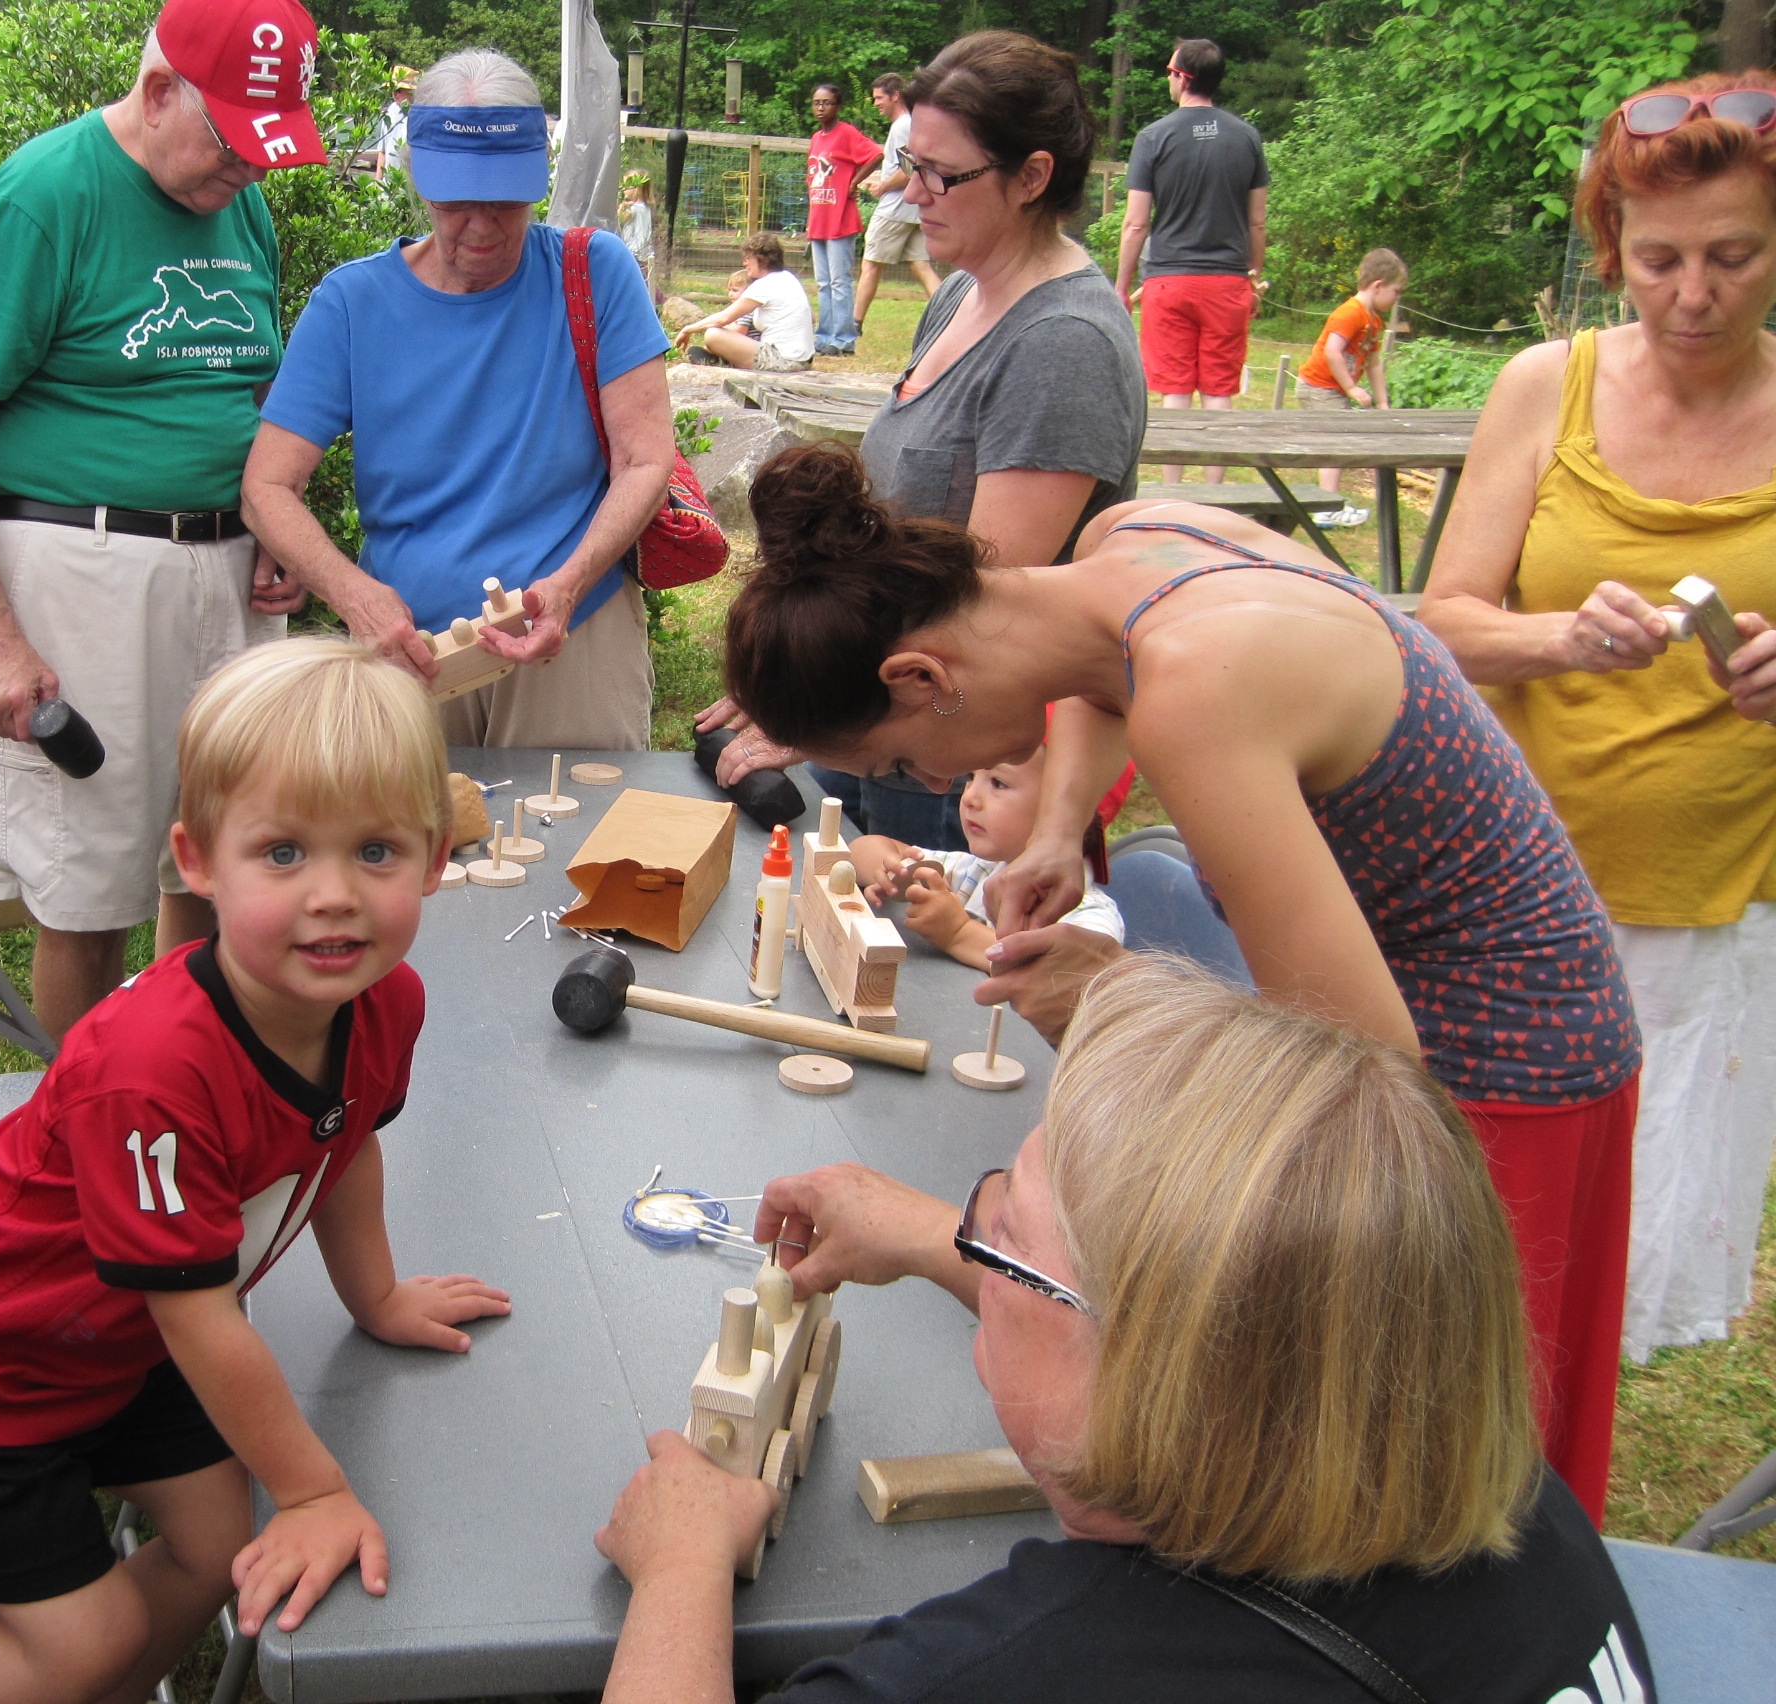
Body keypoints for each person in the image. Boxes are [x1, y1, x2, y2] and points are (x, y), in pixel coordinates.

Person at [719, 442, 1642, 1522]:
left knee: (1411, 1463)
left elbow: (1371, 1082)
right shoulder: (1134, 543)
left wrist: (1114, 1002)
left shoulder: (1199, 696)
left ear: (921, 678)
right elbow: (1096, 680)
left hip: (1499, 1075)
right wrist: (1060, 825)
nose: (930, 786)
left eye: (895, 767)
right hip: (1519, 1007)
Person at [595, 956, 1655, 1704]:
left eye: (1001, 1237)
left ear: (1145, 1376)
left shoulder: (1020, 1674)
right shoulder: (1496, 1486)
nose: (974, 1228)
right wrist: (933, 1236)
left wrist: (683, 1572)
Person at [0, 638, 511, 1704]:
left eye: (377, 853)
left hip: (120, 1349)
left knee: (212, 1548)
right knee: (84, 1636)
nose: (333, 896)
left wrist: (375, 1295)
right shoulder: (152, 1073)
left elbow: (344, 1148)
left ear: (436, 861)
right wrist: (312, 1492)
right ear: (198, 862)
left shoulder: (384, 1003)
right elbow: (198, 1319)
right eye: (283, 854)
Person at [1419, 72, 1776, 1367]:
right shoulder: (1543, 388)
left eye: (1734, 257)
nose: (1693, 295)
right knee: (1473, 1267)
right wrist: (1561, 636)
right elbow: (1442, 622)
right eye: (1659, 259)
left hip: (1715, 915)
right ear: (1613, 246)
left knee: (1608, 1295)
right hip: (1521, 904)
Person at [0, 0, 324, 1041]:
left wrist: (274, 525)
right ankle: (77, 1136)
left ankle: (182, 1096)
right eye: (234, 145)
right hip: (81, 569)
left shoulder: (241, 201)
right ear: (156, 91)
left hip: (224, 568)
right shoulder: (46, 195)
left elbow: (240, 391)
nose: (251, 174)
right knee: (87, 886)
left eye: (270, 152)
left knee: (218, 852)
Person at [703, 32, 1146, 853]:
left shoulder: (1063, 344)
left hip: (953, 755)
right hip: (885, 713)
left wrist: (819, 716)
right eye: (911, 164)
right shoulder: (962, 299)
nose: (910, 192)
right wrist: (805, 675)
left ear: (1034, 176)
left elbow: (980, 605)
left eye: (942, 173)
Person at [246, 49, 676, 752]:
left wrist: (566, 586)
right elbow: (266, 485)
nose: (480, 227)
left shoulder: (595, 273)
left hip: (571, 638)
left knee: (583, 850)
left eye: (505, 200)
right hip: (409, 648)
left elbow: (645, 460)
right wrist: (355, 597)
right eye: (455, 202)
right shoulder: (353, 302)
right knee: (408, 854)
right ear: (416, 177)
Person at [1114, 38, 1267, 486]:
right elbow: (1257, 224)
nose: (1168, 78)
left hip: (1169, 281)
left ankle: (1173, 489)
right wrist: (1254, 279)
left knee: (1175, 388)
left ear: (1182, 77)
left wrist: (1122, 286)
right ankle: (1216, 494)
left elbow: (1135, 225)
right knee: (1219, 389)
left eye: (1169, 71)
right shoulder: (1247, 137)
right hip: (1228, 283)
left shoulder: (1154, 137)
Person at [841, 756, 1124, 971]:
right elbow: (858, 852)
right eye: (971, 778)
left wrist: (958, 934)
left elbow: (1071, 973)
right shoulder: (976, 872)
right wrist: (891, 868)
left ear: (1070, 814)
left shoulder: (1090, 916)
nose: (970, 798)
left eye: (998, 784)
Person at [1297, 247, 1405, 525]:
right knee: (1335, 445)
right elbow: (1333, 352)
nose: (1397, 298)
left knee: (1335, 444)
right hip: (1320, 387)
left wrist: (1383, 403)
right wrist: (1351, 388)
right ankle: (1325, 508)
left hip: (1332, 389)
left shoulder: (1374, 320)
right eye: (1396, 291)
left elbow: (1374, 362)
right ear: (1378, 286)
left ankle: (1327, 503)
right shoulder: (1350, 312)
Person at [852, 72, 940, 338]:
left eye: (880, 97)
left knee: (870, 264)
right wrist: (881, 180)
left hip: (895, 209)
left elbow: (910, 170)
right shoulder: (912, 123)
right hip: (915, 210)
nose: (876, 102)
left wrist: (882, 186)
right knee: (921, 265)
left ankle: (853, 325)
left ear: (895, 96)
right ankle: (951, 313)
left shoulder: (902, 125)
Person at [804, 83, 883, 357]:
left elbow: (876, 154)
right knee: (823, 283)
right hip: (819, 219)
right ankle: (825, 336)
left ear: (838, 106)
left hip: (841, 219)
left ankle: (844, 339)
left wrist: (854, 182)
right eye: (817, 102)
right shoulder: (816, 138)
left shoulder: (846, 133)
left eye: (827, 102)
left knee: (839, 282)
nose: (821, 107)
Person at [673, 232, 813, 371]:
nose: (744, 263)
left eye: (748, 258)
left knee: (712, 334)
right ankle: (725, 359)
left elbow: (723, 318)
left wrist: (688, 329)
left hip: (782, 360)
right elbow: (812, 317)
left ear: (761, 259)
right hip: (803, 359)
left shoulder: (765, 284)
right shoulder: (789, 278)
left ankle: (725, 362)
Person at [618, 171, 654, 273]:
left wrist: (620, 208)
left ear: (637, 189)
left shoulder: (632, 209)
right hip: (645, 253)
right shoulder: (646, 208)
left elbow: (617, 221)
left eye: (627, 185)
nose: (623, 188)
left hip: (632, 252)